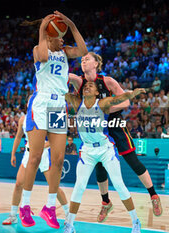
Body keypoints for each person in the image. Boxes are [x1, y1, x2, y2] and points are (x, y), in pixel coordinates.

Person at [69, 52, 162, 223]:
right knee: (99, 167)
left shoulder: (108, 81)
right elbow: (66, 75)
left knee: (133, 161)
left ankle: (153, 195)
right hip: (97, 130)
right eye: (82, 59)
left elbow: (126, 102)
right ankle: (105, 202)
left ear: (96, 63)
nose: (83, 60)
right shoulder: (80, 82)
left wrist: (105, 109)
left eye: (87, 58)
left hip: (114, 126)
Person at [20, 11, 87, 229]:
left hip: (59, 105)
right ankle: (25, 206)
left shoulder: (66, 52)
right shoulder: (39, 49)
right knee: (36, 157)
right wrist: (42, 30)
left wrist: (72, 25)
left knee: (58, 160)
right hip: (41, 104)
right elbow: (41, 57)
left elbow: (84, 51)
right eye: (60, 36)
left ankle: (49, 208)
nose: (63, 40)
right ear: (50, 37)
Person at [63, 81, 144, 233]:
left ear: (96, 93)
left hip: (105, 149)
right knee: (79, 186)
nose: (87, 87)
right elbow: (62, 92)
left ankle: (135, 222)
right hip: (87, 150)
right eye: (85, 86)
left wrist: (133, 93)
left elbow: (119, 99)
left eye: (91, 86)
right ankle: (69, 225)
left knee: (119, 185)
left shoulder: (102, 104)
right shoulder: (76, 102)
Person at [2, 108, 69, 226]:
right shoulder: (23, 119)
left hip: (44, 154)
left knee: (55, 187)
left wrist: (43, 145)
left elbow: (54, 140)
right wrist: (13, 153)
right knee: (18, 184)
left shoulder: (46, 118)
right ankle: (13, 216)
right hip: (28, 153)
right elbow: (18, 137)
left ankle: (69, 215)